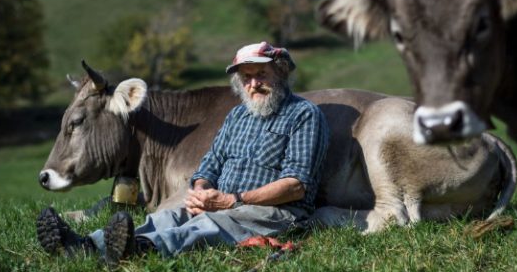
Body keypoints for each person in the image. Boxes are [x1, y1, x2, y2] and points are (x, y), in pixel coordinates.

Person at [36, 41, 330, 266]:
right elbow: (210, 165)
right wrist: (200, 191)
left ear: (280, 71)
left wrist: (233, 200)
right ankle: (83, 244)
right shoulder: (238, 116)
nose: (253, 84)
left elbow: (296, 185)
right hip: (223, 204)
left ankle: (139, 249)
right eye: (247, 77)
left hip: (274, 213)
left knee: (209, 226)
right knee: (168, 218)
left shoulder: (304, 115)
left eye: (261, 74)